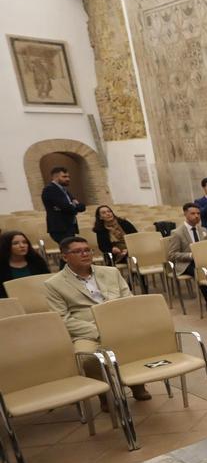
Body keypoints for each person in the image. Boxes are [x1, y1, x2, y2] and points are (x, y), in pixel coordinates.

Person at [44, 236, 151, 403]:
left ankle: (137, 383)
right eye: (78, 251)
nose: (85, 254)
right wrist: (99, 331)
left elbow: (128, 301)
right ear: (65, 257)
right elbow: (62, 319)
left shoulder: (111, 272)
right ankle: (105, 395)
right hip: (86, 331)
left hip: (119, 324)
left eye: (87, 250)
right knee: (87, 357)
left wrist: (121, 325)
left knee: (140, 340)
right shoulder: (54, 284)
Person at [41, 166, 86, 242]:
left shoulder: (64, 190)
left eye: (68, 177)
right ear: (55, 177)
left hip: (69, 226)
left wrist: (73, 206)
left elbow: (82, 207)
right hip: (60, 227)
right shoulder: (50, 189)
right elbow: (66, 207)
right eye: (64, 177)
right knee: (69, 250)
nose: (68, 179)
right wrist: (74, 205)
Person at [0, 230, 51, 297]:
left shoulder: (37, 261)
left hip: (38, 298)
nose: (22, 246)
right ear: (6, 246)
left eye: (24, 242)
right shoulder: (2, 266)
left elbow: (47, 283)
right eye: (15, 243)